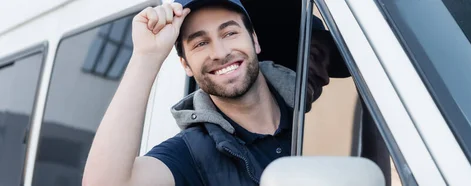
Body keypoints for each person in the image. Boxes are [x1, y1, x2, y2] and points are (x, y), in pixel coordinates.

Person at [82, 0, 339, 185]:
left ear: (255, 40)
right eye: (201, 43)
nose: (220, 52)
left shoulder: (321, 116)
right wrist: (145, 57)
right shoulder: (192, 154)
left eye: (229, 32)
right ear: (185, 65)